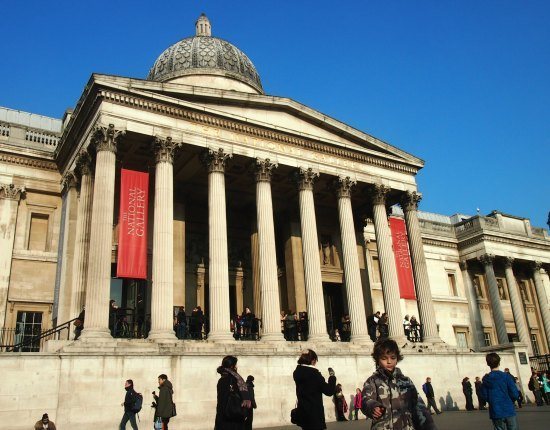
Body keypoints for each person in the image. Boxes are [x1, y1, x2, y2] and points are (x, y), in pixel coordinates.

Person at [361, 339, 436, 430]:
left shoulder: (406, 381)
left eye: (393, 358)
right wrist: (373, 407)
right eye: (384, 358)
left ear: (397, 359)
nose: (389, 362)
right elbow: (365, 400)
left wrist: (429, 427)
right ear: (377, 360)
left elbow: (418, 406)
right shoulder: (372, 381)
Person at [292, 349, 336, 430]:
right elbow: (329, 391)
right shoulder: (314, 374)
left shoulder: (297, 372)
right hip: (314, 415)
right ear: (312, 360)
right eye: (316, 361)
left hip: (303, 414)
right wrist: (332, 377)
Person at [479, 352, 520, 430]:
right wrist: (510, 400)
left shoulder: (486, 379)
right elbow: (514, 393)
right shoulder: (506, 376)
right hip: (508, 408)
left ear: (488, 364)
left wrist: (492, 400)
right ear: (499, 362)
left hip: (495, 410)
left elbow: (484, 396)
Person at [215, 355, 252, 430]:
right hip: (234, 417)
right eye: (235, 365)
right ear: (232, 366)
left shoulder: (222, 379)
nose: (236, 367)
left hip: (222, 416)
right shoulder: (235, 379)